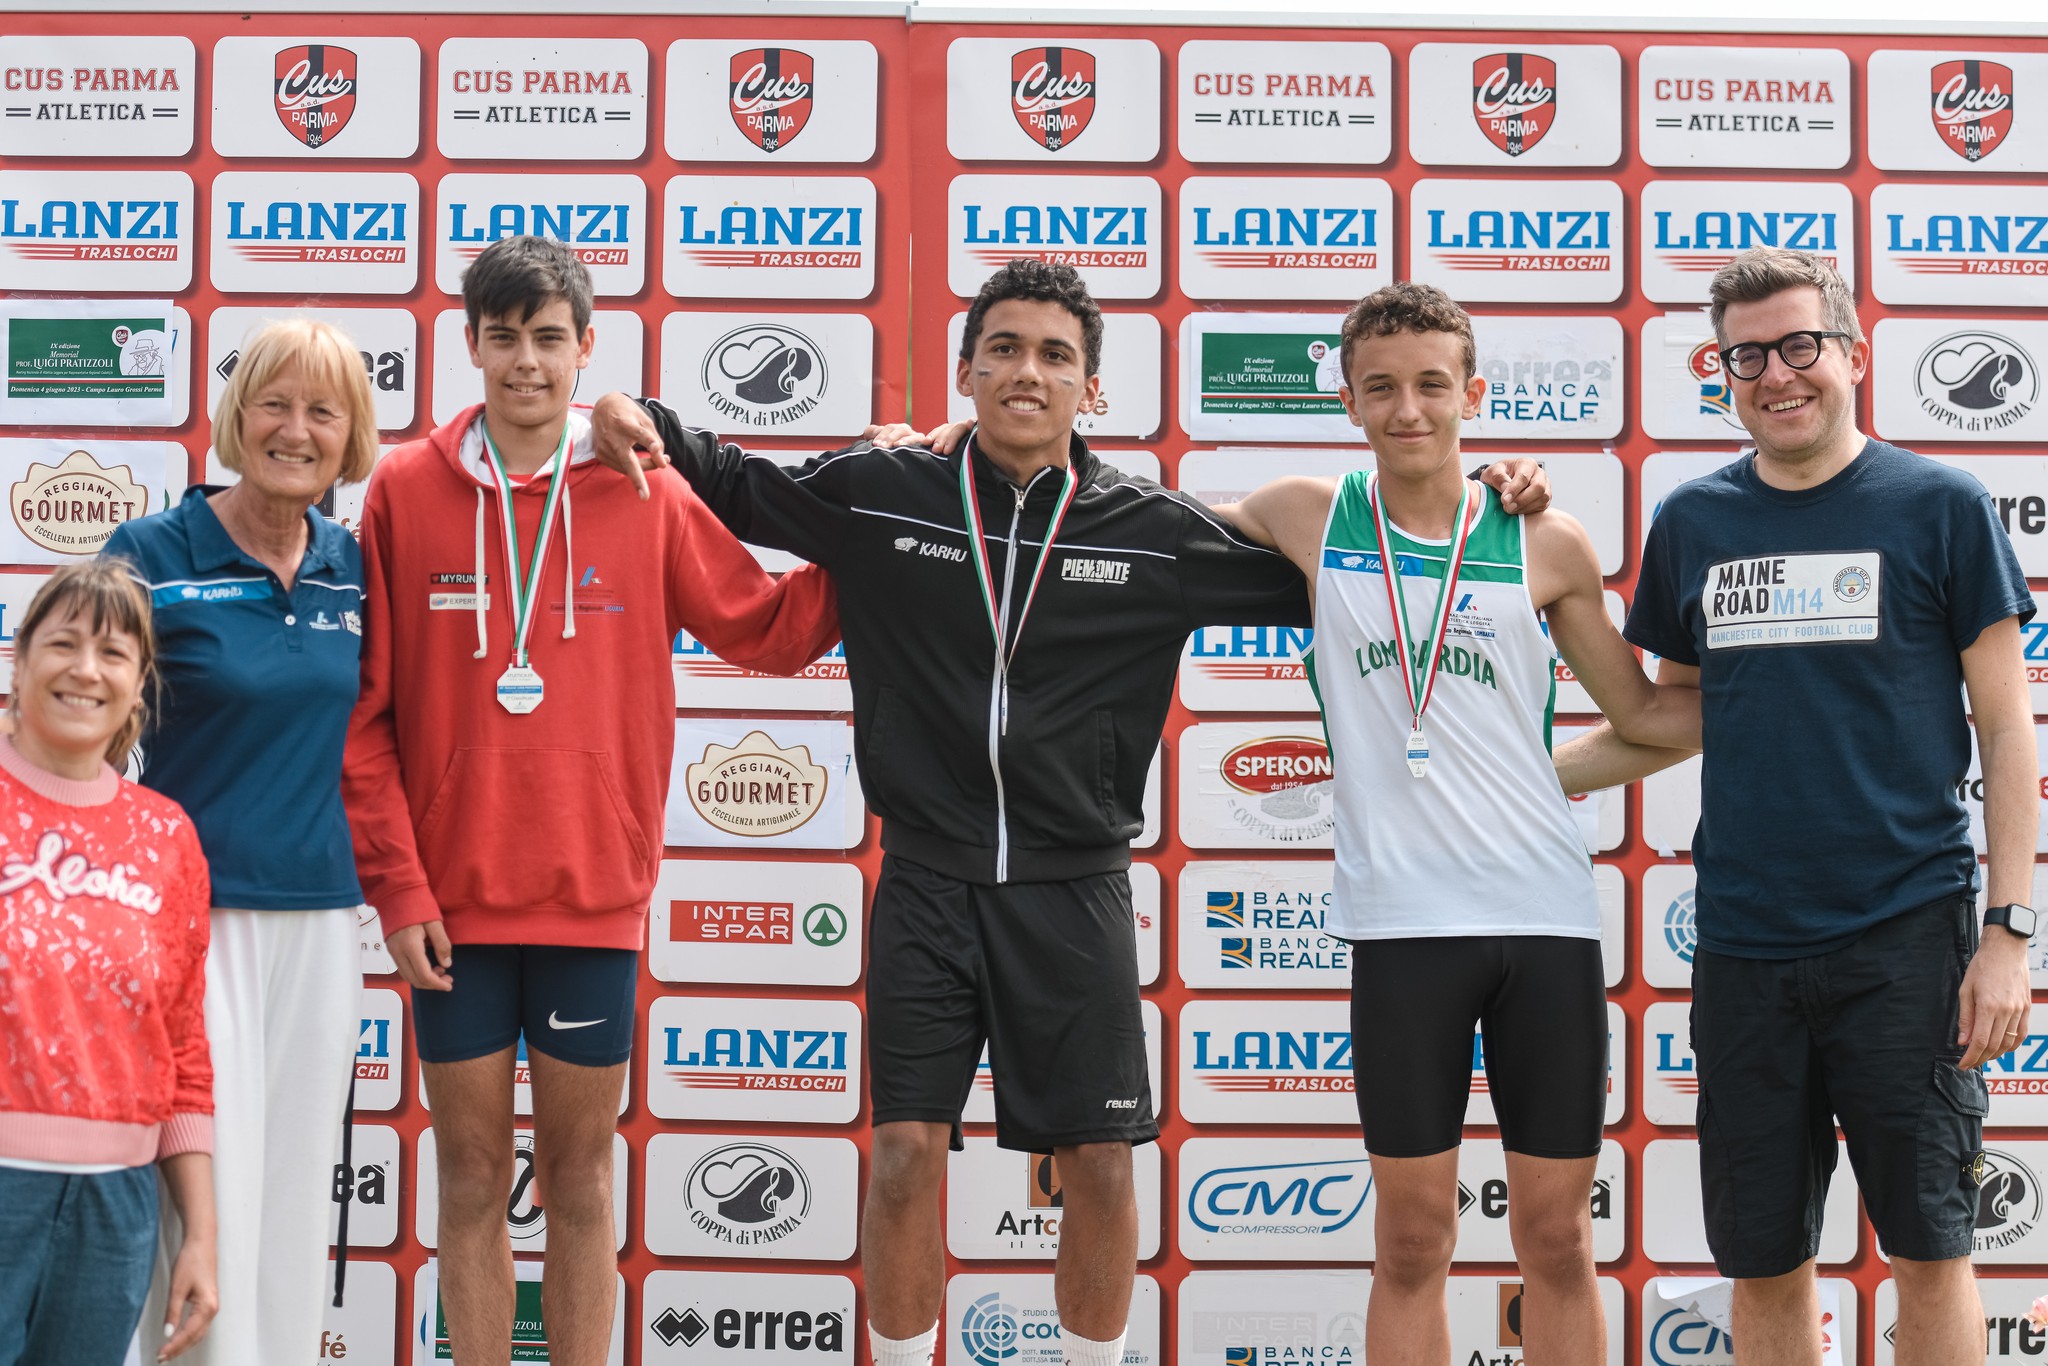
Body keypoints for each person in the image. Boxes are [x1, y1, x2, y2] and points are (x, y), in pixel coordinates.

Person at [587, 258, 1552, 1366]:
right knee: (903, 1155)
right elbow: (725, 476)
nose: (1026, 373)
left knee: (1097, 1163)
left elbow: (1359, 567)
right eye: (1002, 349)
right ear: (966, 371)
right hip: (927, 881)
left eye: (1055, 356)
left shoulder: (1150, 530)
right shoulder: (882, 491)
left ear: (1091, 388)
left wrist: (1492, 493)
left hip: (1074, 887)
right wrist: (622, 408)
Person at [341, 235, 840, 1366]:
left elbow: (767, 627)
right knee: (469, 1179)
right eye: (504, 338)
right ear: (469, 345)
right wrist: (399, 888)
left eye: (547, 338)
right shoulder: (404, 491)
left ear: (586, 348)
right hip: (451, 909)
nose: (526, 361)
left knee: (579, 1179)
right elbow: (366, 717)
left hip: (591, 900)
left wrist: (883, 539)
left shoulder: (642, 487)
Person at [1557, 247, 2037, 1364]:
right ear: (1722, 372)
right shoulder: (1694, 520)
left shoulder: (1941, 505)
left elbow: (2008, 728)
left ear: (1852, 355)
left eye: (1797, 345)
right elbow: (1674, 714)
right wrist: (1520, 776)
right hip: (1744, 944)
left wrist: (2008, 933)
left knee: (1929, 1250)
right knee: (1763, 1260)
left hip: (1907, 935)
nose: (1774, 374)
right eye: (1746, 356)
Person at [1214, 281, 1699, 1364]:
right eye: (1380, 387)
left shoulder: (1546, 539)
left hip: (1545, 921)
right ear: (1346, 400)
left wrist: (1794, 693)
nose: (1408, 409)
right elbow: (1118, 517)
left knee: (1557, 1241)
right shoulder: (1305, 513)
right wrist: (957, 444)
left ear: (1473, 394)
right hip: (1403, 929)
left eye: (1433, 385)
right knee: (1409, 1241)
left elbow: (1643, 719)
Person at [105, 317, 377, 1366]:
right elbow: (77, 721)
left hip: (321, 919)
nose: (295, 430)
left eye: (322, 411)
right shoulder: (150, 553)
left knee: (295, 1190)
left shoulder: (355, 566)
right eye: (275, 403)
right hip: (191, 920)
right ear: (237, 415)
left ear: (349, 435)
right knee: (204, 1190)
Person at [0, 561, 217, 1365]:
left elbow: (183, 1050)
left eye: (114, 653)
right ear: (20, 660)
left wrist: (201, 1235)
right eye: (64, 644)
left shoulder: (168, 838)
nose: (87, 670)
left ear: (139, 686)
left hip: (116, 1211)